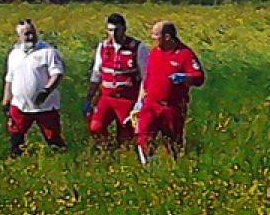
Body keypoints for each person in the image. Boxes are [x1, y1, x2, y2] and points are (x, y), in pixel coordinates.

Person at [134, 18, 205, 163]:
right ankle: (147, 166)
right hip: (151, 104)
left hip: (172, 107)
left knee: (173, 142)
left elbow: (199, 78)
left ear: (167, 37)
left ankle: (172, 169)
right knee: (143, 136)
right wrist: (140, 101)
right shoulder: (154, 53)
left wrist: (185, 77)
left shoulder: (184, 54)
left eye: (155, 35)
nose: (152, 38)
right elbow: (147, 78)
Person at [1, 18, 67, 157]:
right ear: (19, 36)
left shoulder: (48, 51)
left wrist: (46, 91)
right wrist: (6, 101)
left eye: (33, 33)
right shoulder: (14, 54)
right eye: (26, 34)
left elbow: (57, 74)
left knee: (53, 138)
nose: (30, 37)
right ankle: (15, 161)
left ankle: (62, 161)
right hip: (20, 105)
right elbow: (9, 79)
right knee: (16, 136)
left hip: (45, 106)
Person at [85, 12, 147, 148]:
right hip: (107, 97)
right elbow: (97, 74)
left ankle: (123, 155)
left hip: (127, 97)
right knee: (95, 127)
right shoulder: (103, 47)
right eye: (110, 30)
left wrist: (140, 102)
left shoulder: (137, 47)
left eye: (116, 30)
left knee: (126, 134)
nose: (113, 34)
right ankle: (108, 149)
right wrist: (89, 98)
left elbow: (145, 78)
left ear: (124, 29)